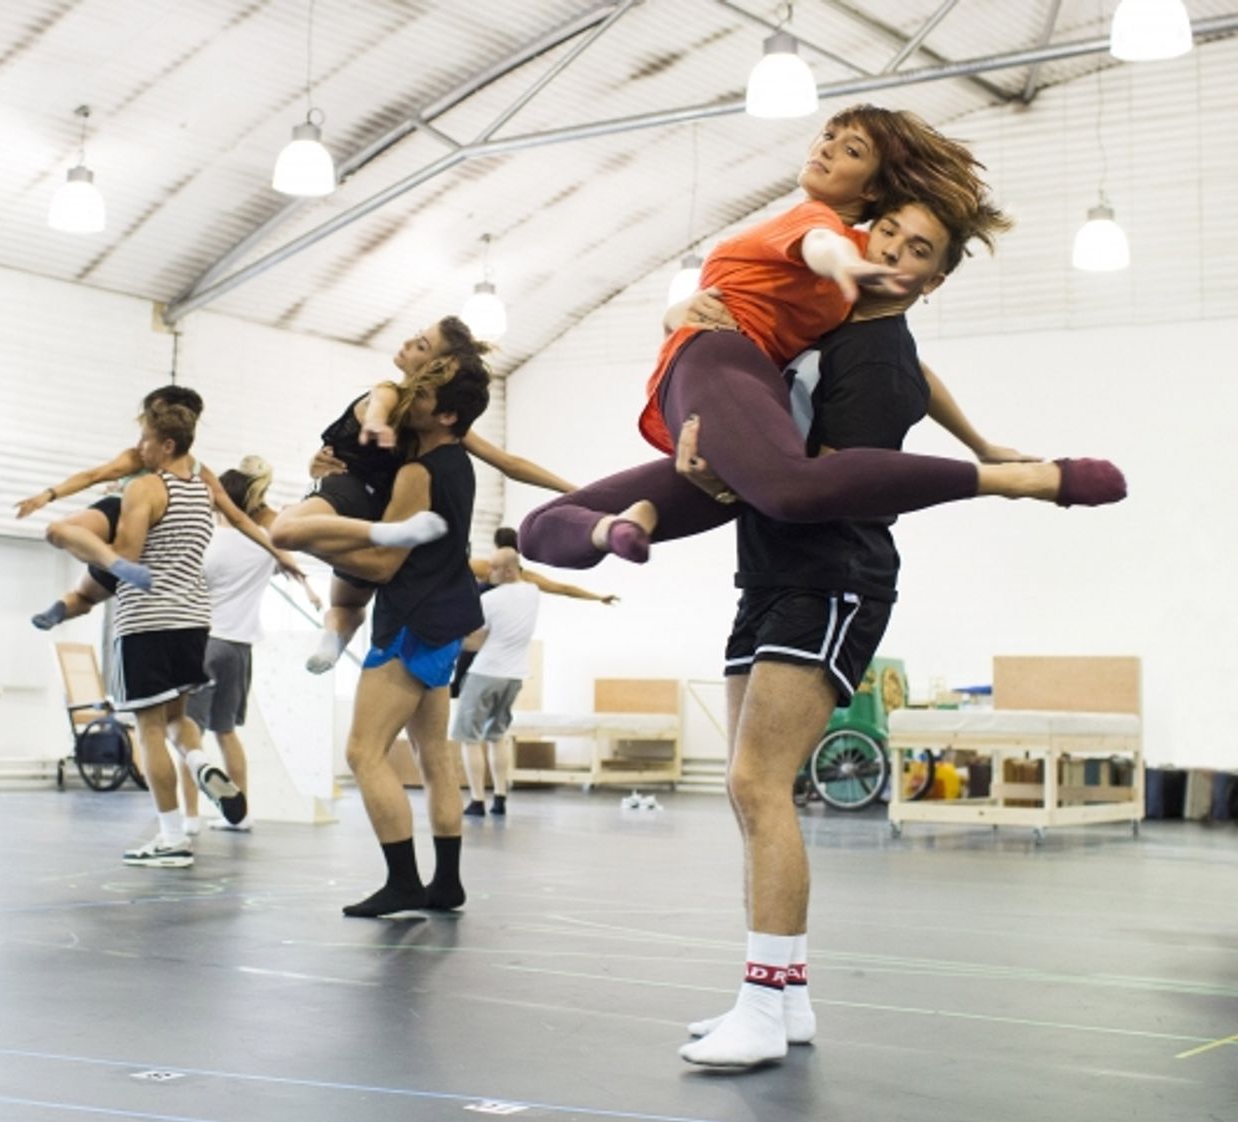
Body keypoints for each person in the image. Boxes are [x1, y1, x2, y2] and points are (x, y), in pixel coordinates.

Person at [672, 199, 1017, 1067]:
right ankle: (783, 1000)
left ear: (930, 282)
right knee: (750, 791)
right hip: (771, 573)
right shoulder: (827, 326)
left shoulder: (876, 357)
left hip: (835, 577)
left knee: (759, 784)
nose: (893, 252)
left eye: (918, 252)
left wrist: (732, 471)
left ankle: (760, 1005)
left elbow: (840, 474)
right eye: (888, 235)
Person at [518, 105, 1124, 572]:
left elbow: (911, 365)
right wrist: (675, 312)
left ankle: (624, 524)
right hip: (719, 369)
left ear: (871, 190)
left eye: (850, 148)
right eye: (828, 136)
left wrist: (981, 439)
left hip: (738, 406)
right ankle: (1025, 483)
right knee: (788, 488)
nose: (826, 148)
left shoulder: (855, 245)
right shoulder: (820, 229)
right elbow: (820, 246)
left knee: (542, 525)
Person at [271, 360, 492, 918]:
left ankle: (402, 883)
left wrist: (314, 547)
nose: (407, 402)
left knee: (363, 752)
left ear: (444, 414)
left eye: (422, 398)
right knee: (434, 754)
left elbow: (384, 565)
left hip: (414, 619)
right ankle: (446, 883)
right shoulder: (458, 464)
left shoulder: (418, 475)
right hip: (447, 615)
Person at [281, 318, 574, 675]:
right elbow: (507, 462)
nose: (408, 343)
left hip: (358, 500)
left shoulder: (411, 404)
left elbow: (510, 463)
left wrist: (576, 492)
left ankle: (336, 633)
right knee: (347, 601)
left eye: (422, 345)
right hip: (372, 508)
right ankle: (335, 638)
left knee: (293, 540)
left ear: (438, 367)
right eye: (416, 337)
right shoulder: (414, 410)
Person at [16, 385, 310, 629]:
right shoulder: (199, 471)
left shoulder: (138, 457)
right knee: (87, 597)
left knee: (62, 533)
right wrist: (278, 554)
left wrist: (49, 494)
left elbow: (94, 475)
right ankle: (85, 587)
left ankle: (102, 569)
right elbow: (240, 519)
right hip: (156, 538)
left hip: (119, 511)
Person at [111, 400, 248, 867]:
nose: (138, 447)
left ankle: (171, 837)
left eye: (145, 438)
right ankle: (199, 761)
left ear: (167, 444)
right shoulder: (201, 490)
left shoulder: (146, 487)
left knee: (148, 728)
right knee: (176, 719)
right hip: (193, 620)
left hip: (146, 622)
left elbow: (124, 560)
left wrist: (88, 541)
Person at [176, 458, 316, 835]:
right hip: (239, 648)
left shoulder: (208, 542)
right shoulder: (264, 544)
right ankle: (241, 814)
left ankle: (189, 818)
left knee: (188, 733)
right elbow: (289, 566)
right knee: (226, 731)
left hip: (204, 643)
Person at [449, 524, 616, 702]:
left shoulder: (486, 568)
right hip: (494, 630)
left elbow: (450, 570)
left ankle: (458, 685)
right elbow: (563, 588)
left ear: (496, 545)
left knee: (470, 658)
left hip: (487, 629)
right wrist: (598, 597)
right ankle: (459, 686)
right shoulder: (525, 577)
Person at [453, 545, 542, 818]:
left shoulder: (489, 601)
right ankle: (500, 797)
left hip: (485, 673)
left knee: (469, 738)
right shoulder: (533, 592)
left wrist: (449, 638)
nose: (487, 572)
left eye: (492, 568)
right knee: (497, 736)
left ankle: (478, 800)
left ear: (507, 570)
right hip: (514, 676)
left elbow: (475, 642)